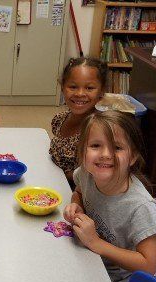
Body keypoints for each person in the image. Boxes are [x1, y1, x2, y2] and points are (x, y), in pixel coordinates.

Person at [63, 111, 156, 282]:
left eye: (117, 147)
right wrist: (77, 206)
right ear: (82, 152)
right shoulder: (87, 174)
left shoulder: (140, 207)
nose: (105, 155)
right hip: (89, 260)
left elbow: (150, 265)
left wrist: (96, 242)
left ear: (133, 157)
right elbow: (78, 192)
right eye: (95, 146)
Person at [49, 57, 107, 187]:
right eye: (73, 87)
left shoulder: (98, 131)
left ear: (101, 92)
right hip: (53, 180)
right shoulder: (60, 119)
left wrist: (56, 174)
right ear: (63, 87)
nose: (80, 93)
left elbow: (91, 176)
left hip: (78, 194)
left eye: (89, 88)